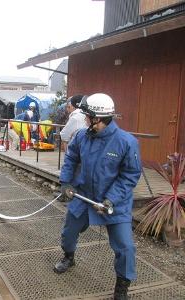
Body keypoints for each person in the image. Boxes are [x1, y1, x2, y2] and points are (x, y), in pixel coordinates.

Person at [55, 93, 142, 300]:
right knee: (69, 232)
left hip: (114, 203)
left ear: (98, 118)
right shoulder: (82, 136)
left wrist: (111, 198)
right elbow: (71, 159)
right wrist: (66, 182)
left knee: (125, 247)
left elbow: (130, 175)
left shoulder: (126, 142)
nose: (84, 120)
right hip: (84, 196)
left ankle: (122, 288)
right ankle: (69, 257)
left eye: (87, 117)